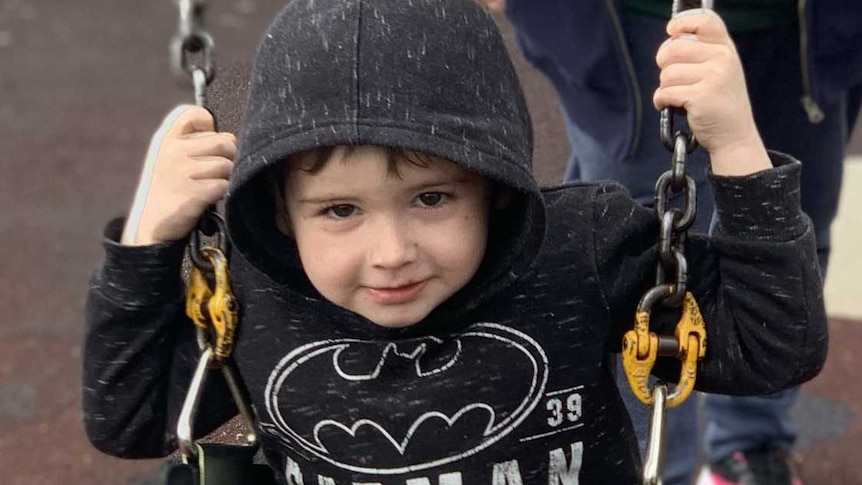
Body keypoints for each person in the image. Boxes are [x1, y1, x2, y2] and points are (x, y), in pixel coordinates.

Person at [82, 1, 829, 483]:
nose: (391, 251)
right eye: (340, 210)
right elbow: (129, 419)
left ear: (495, 187)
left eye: (432, 197)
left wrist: (736, 147)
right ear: (279, 214)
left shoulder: (578, 252)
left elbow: (774, 346)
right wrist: (149, 240)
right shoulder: (258, 292)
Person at [479, 0, 862, 483]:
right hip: (626, 26)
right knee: (634, 260)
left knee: (785, 226)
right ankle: (652, 465)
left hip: (807, 31)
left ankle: (751, 449)